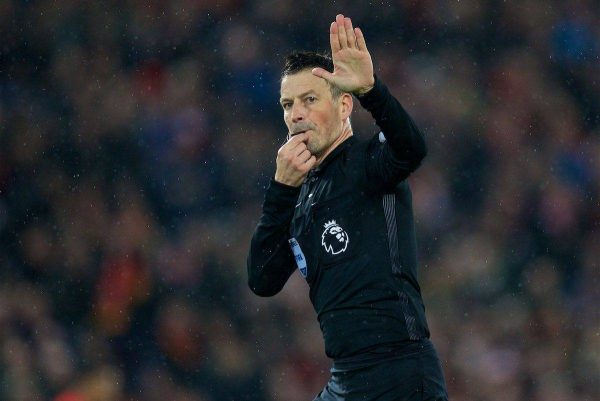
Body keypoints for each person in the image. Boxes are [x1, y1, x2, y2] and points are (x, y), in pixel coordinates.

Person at [247, 14, 449, 401]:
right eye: (287, 104)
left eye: (309, 99)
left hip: (400, 373)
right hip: (346, 380)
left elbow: (412, 148)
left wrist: (372, 91)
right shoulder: (299, 195)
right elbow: (263, 280)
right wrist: (280, 191)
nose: (296, 114)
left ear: (344, 106)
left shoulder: (370, 164)